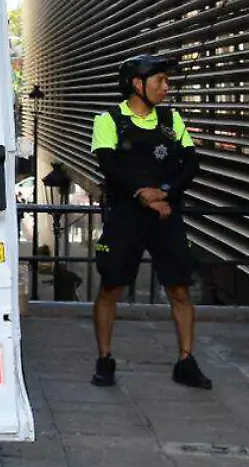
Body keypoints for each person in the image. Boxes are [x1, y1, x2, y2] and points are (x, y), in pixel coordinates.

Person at [90, 54, 210, 389]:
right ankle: (104, 359)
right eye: (160, 81)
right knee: (111, 286)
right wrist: (142, 195)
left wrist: (164, 194)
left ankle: (186, 360)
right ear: (136, 84)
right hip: (126, 216)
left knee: (180, 288)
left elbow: (190, 165)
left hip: (167, 214)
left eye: (167, 81)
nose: (166, 88)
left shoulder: (173, 119)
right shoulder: (109, 119)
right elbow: (110, 166)